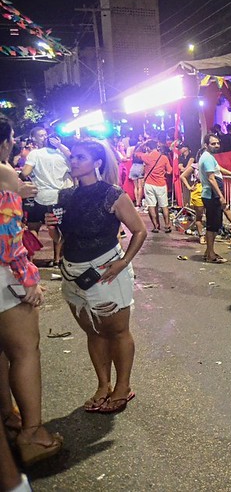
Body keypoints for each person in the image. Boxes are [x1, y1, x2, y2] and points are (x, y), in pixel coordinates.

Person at [52, 139, 146, 416]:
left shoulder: (111, 194)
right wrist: (52, 230)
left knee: (117, 331)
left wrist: (124, 262)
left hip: (106, 271)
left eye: (80, 157)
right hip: (73, 274)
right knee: (93, 332)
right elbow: (62, 236)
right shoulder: (65, 196)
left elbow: (139, 231)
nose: (74, 162)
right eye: (73, 158)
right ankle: (103, 385)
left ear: (97, 163)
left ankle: (123, 386)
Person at [0, 116, 63, 466]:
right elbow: (7, 236)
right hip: (3, 277)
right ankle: (33, 434)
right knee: (24, 351)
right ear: (7, 141)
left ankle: (10, 417)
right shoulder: (4, 173)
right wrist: (27, 279)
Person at [21, 127, 72, 267]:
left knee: (33, 227)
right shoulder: (62, 155)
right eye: (42, 135)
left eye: (45, 135)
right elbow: (72, 167)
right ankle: (56, 260)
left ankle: (30, 261)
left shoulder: (34, 154)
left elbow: (25, 173)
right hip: (58, 197)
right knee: (55, 228)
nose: (44, 137)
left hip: (39, 196)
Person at [198, 134, 227, 263]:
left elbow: (218, 169)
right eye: (213, 144)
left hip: (210, 195)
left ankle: (209, 252)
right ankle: (210, 255)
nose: (216, 146)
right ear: (206, 145)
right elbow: (211, 178)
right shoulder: (208, 158)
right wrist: (221, 196)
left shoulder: (209, 157)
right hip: (211, 195)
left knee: (214, 225)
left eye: (217, 143)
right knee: (212, 226)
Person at [136, 140, 173, 233]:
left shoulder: (146, 157)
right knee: (164, 205)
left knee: (151, 206)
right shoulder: (164, 158)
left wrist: (142, 144)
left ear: (148, 147)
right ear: (157, 147)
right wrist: (163, 173)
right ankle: (167, 225)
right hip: (161, 184)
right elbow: (169, 171)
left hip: (149, 185)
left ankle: (156, 226)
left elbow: (136, 153)